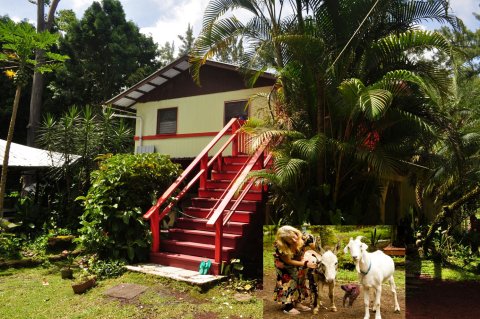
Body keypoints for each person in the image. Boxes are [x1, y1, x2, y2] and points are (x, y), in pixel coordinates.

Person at [273, 225, 317, 315]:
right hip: (284, 265)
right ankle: (287, 306)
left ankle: (297, 303)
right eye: (290, 239)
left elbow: (314, 247)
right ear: (284, 240)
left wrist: (309, 250)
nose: (294, 240)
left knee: (300, 279)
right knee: (288, 280)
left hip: (299, 260)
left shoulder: (304, 237)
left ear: (296, 232)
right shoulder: (280, 246)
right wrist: (305, 263)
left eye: (294, 236)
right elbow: (288, 261)